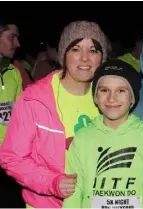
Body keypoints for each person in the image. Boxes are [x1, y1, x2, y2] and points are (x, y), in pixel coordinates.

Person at [0, 20, 108, 208]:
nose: (85, 58)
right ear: (63, 54)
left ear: (102, 57)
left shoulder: (109, 98)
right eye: (75, 49)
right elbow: (13, 158)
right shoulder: (34, 99)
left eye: (93, 50)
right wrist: (52, 182)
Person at [63, 59, 143, 208]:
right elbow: (74, 194)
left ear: (132, 98)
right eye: (104, 90)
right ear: (95, 97)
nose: (112, 98)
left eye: (121, 90)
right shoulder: (83, 138)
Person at [0, 21, 23, 144]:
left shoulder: (14, 72)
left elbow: (19, 114)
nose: (17, 44)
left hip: (9, 151)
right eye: (12, 37)